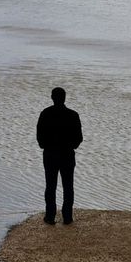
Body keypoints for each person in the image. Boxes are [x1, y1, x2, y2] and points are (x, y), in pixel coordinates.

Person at [37, 87, 82, 225]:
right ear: (65, 98)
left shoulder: (45, 113)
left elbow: (39, 136)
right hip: (67, 154)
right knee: (68, 186)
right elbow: (79, 138)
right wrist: (71, 146)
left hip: (50, 154)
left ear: (52, 97)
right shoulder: (73, 115)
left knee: (50, 185)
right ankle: (67, 216)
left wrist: (45, 146)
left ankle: (50, 216)